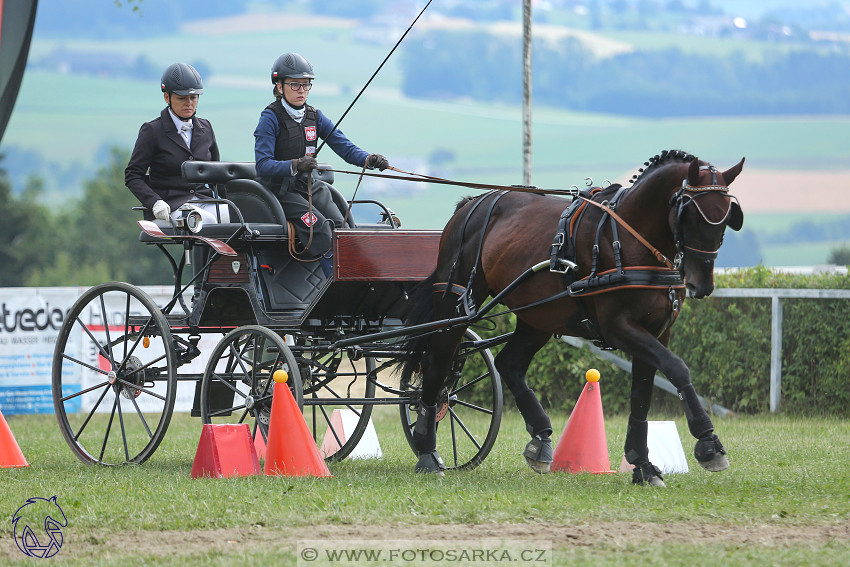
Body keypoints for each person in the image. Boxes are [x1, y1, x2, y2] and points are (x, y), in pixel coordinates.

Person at [254, 52, 389, 275]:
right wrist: (295, 165)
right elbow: (263, 165)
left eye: (306, 85)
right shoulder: (270, 118)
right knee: (320, 229)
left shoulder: (314, 116)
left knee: (342, 229)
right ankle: (333, 289)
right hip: (280, 191)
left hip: (310, 187)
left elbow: (345, 147)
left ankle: (354, 283)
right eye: (295, 85)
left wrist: (369, 160)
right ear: (279, 87)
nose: (302, 90)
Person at [125, 62, 228, 224]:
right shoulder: (152, 131)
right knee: (206, 221)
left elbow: (217, 174)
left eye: (193, 98)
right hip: (170, 206)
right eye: (182, 98)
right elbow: (133, 176)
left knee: (239, 216)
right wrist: (154, 202)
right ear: (167, 97)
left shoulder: (206, 127)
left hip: (204, 201)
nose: (189, 103)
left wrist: (237, 201)